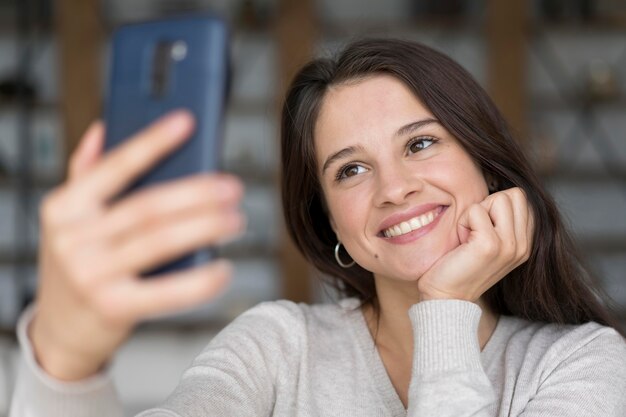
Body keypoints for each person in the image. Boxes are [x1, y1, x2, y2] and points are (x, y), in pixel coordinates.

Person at [10, 38, 626, 417]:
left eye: (420, 143)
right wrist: (64, 369)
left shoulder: (582, 364)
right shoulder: (281, 345)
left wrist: (445, 306)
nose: (393, 189)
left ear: (486, 166)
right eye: (351, 169)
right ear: (326, 216)